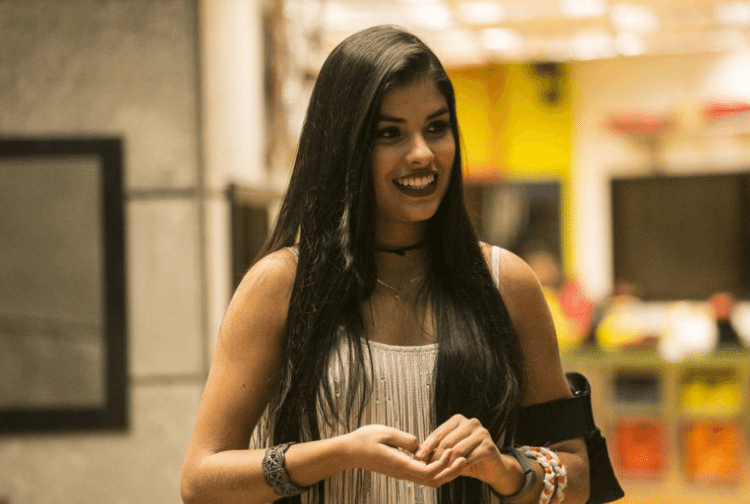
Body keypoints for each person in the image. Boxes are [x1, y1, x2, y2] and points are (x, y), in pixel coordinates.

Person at [181, 25, 621, 504]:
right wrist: (337, 453)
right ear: (344, 146)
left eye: (436, 128)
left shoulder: (505, 283)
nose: (422, 154)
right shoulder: (282, 285)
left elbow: (579, 473)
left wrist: (508, 469)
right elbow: (200, 481)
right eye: (389, 134)